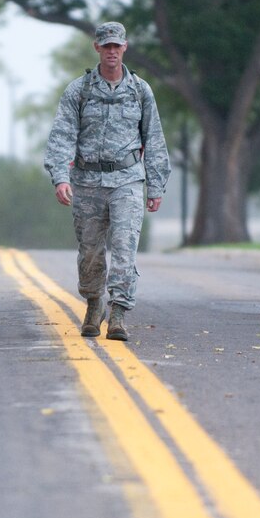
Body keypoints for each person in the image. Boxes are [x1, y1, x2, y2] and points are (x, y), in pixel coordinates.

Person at [43, 21, 170, 341]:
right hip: (86, 182)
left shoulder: (140, 90)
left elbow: (153, 139)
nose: (112, 51)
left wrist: (155, 185)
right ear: (97, 48)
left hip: (127, 180)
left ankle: (118, 313)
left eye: (117, 46)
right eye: (106, 46)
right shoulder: (79, 90)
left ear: (125, 47)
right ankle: (94, 302)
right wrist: (60, 177)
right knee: (90, 252)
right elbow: (61, 136)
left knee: (125, 249)